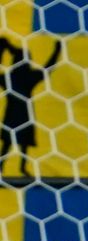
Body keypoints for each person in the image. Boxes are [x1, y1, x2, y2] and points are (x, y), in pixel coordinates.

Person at [0, 38, 62, 176]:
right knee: (17, 143)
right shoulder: (25, 76)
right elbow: (47, 69)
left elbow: (47, 69)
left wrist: (4, 49)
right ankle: (16, 167)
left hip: (18, 113)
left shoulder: (11, 77)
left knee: (15, 143)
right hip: (21, 113)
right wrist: (57, 51)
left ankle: (14, 167)